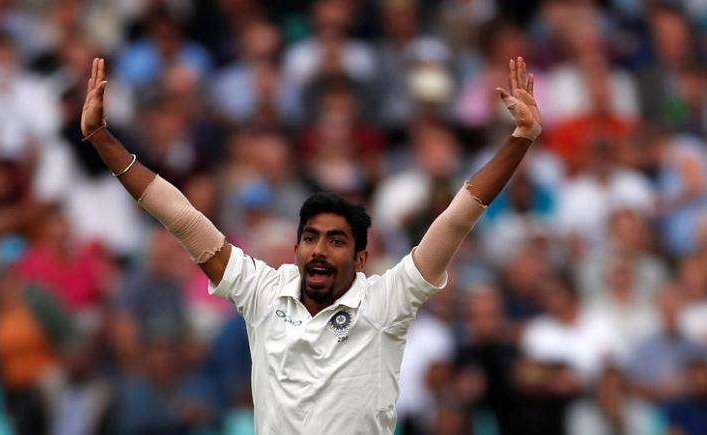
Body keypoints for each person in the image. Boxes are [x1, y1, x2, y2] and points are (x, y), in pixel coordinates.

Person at [79, 56, 542, 434]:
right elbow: (180, 218)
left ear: (361, 258)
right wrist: (102, 139)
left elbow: (459, 217)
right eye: (310, 238)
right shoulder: (262, 291)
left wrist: (520, 140)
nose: (319, 250)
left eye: (336, 241)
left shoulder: (386, 301)